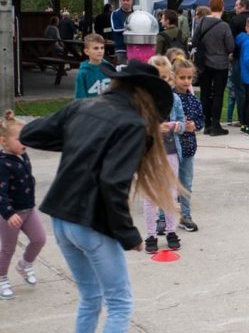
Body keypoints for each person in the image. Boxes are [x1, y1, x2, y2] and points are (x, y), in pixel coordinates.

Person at [19, 60, 178, 331]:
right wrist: (129, 235)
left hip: (62, 222)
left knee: (91, 298)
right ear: (145, 94)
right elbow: (112, 184)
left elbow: (30, 132)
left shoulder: (84, 106)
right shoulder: (132, 124)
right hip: (91, 224)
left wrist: (82, 138)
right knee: (120, 304)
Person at [0, 111, 46, 300]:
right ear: (4, 142)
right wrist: (8, 213)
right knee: (8, 248)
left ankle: (25, 264)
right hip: (10, 215)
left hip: (28, 209)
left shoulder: (23, 155)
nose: (25, 143)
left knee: (39, 239)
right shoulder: (2, 164)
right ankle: (1, 278)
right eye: (21, 139)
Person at [145, 55, 184, 252]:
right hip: (150, 154)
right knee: (151, 197)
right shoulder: (143, 99)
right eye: (158, 78)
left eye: (167, 78)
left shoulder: (175, 98)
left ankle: (171, 231)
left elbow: (183, 124)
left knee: (170, 194)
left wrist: (176, 126)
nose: (164, 83)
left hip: (170, 153)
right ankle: (150, 235)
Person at [173, 58, 204, 232]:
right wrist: (180, 126)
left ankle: (186, 215)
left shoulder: (194, 101)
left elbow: (201, 120)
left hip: (188, 148)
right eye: (182, 77)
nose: (186, 81)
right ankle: (165, 216)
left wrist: (195, 126)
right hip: (170, 149)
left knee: (185, 183)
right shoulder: (168, 97)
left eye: (189, 78)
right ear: (174, 77)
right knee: (169, 184)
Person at [195, 0, 235, 136]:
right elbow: (230, 47)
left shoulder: (202, 22)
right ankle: (216, 125)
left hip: (204, 64)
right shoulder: (224, 26)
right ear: (222, 8)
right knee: (218, 94)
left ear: (210, 7)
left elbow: (194, 40)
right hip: (220, 64)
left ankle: (207, 124)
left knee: (205, 94)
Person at [74, 34, 111, 99]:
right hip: (91, 107)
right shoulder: (83, 73)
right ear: (86, 51)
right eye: (96, 48)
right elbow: (79, 98)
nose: (100, 51)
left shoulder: (109, 68)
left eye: (102, 48)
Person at [110, 0, 134, 65]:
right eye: (123, 0)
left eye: (127, 0)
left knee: (134, 71)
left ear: (132, 1)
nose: (125, 2)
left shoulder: (137, 14)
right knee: (121, 71)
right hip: (121, 48)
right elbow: (116, 29)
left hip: (134, 47)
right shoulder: (115, 14)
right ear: (120, 1)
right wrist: (131, 27)